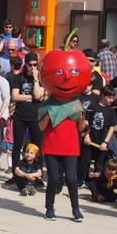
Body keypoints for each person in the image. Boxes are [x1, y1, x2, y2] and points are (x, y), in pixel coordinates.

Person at [39, 93, 85, 222]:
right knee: (53, 178)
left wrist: (82, 119)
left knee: (71, 178)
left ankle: (76, 209)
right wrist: (48, 115)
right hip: (52, 146)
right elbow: (41, 127)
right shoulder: (49, 103)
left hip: (70, 147)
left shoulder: (76, 104)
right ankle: (49, 208)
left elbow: (81, 128)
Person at [6, 52, 45, 160]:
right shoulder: (19, 77)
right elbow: (14, 96)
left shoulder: (41, 79)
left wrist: (36, 79)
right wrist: (30, 96)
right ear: (25, 64)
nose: (33, 67)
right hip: (20, 116)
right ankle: (15, 172)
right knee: (17, 145)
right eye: (30, 65)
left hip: (36, 116)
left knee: (37, 146)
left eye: (35, 65)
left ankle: (37, 172)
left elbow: (38, 95)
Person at [80, 87, 117, 187]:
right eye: (109, 97)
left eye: (113, 98)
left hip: (102, 142)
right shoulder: (93, 106)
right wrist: (87, 135)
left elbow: (111, 127)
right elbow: (86, 122)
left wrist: (105, 142)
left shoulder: (111, 111)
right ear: (102, 96)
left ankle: (94, 183)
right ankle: (81, 180)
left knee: (99, 164)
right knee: (85, 161)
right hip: (90, 139)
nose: (111, 100)